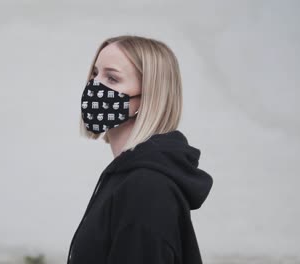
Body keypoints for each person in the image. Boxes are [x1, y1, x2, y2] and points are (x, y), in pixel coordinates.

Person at [68, 35, 214, 264]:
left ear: (149, 97)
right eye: (95, 74)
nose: (94, 86)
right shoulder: (125, 175)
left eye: (112, 78)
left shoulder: (146, 187)